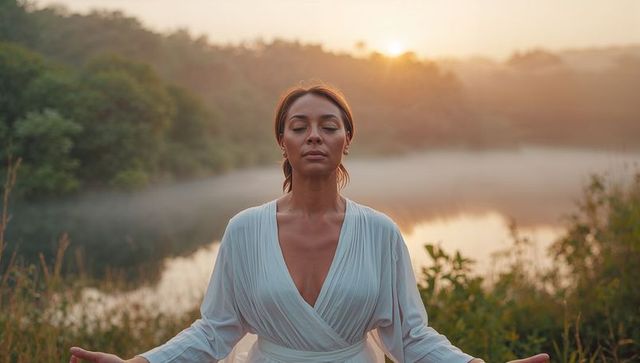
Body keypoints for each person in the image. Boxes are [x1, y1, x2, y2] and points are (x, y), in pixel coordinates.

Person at [69, 84, 550, 363]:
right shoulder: (243, 230)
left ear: (347, 139)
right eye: (299, 126)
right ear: (283, 141)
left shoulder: (380, 232)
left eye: (329, 125)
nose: (314, 135)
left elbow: (410, 337)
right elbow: (216, 330)